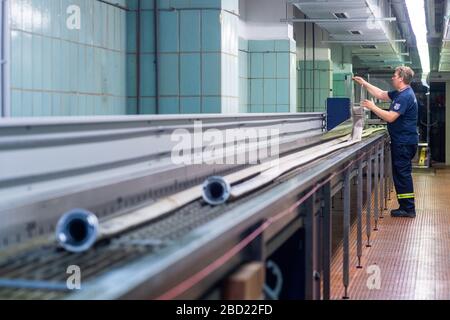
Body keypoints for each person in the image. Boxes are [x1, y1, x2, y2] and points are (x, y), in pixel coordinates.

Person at [353, 66, 419, 218]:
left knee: (402, 175)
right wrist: (364, 83)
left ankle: (408, 208)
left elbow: (390, 117)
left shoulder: (405, 96)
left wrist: (372, 107)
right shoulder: (401, 93)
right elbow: (382, 94)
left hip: (403, 142)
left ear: (401, 78)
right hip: (403, 141)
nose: (392, 78)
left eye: (395, 75)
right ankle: (405, 206)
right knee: (401, 174)